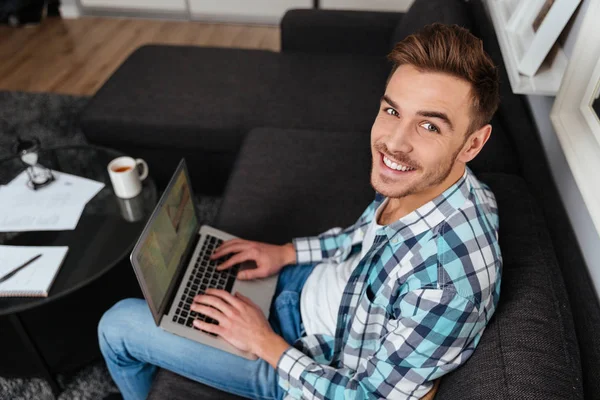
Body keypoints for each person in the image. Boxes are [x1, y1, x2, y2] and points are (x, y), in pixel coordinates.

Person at [98, 23, 502, 400]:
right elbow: (364, 238)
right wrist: (285, 254)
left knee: (117, 326)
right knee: (186, 274)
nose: (393, 143)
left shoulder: (448, 284)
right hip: (305, 285)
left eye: (429, 126)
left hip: (298, 357)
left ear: (472, 144)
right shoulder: (437, 184)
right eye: (392, 111)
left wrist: (264, 342)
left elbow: (369, 396)